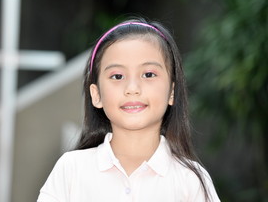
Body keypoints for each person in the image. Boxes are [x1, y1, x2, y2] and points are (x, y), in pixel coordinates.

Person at [37, 18, 220, 201]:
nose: (132, 88)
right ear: (96, 94)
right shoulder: (71, 170)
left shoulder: (190, 180)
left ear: (172, 92)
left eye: (148, 74)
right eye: (117, 76)